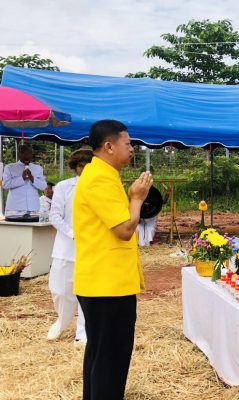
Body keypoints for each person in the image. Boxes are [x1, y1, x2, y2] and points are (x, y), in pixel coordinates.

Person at [74, 120, 152, 400]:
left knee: (101, 356)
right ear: (108, 146)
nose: (132, 149)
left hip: (105, 283)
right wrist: (137, 199)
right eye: (127, 143)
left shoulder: (104, 175)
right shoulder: (99, 179)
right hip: (106, 286)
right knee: (110, 360)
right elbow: (124, 229)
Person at [47, 149, 94, 343]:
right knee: (59, 290)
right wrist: (73, 234)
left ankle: (83, 334)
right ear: (75, 167)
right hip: (65, 248)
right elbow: (54, 216)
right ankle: (62, 322)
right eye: (81, 165)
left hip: (91, 248)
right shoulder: (64, 186)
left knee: (87, 293)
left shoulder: (99, 187)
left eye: (88, 165)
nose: (84, 169)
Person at [2, 144, 47, 213]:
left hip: (33, 207)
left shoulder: (38, 168)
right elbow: (5, 185)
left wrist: (32, 178)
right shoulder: (10, 167)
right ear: (19, 154)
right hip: (15, 208)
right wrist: (22, 178)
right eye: (25, 153)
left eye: (30, 153)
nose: (27, 156)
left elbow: (43, 187)